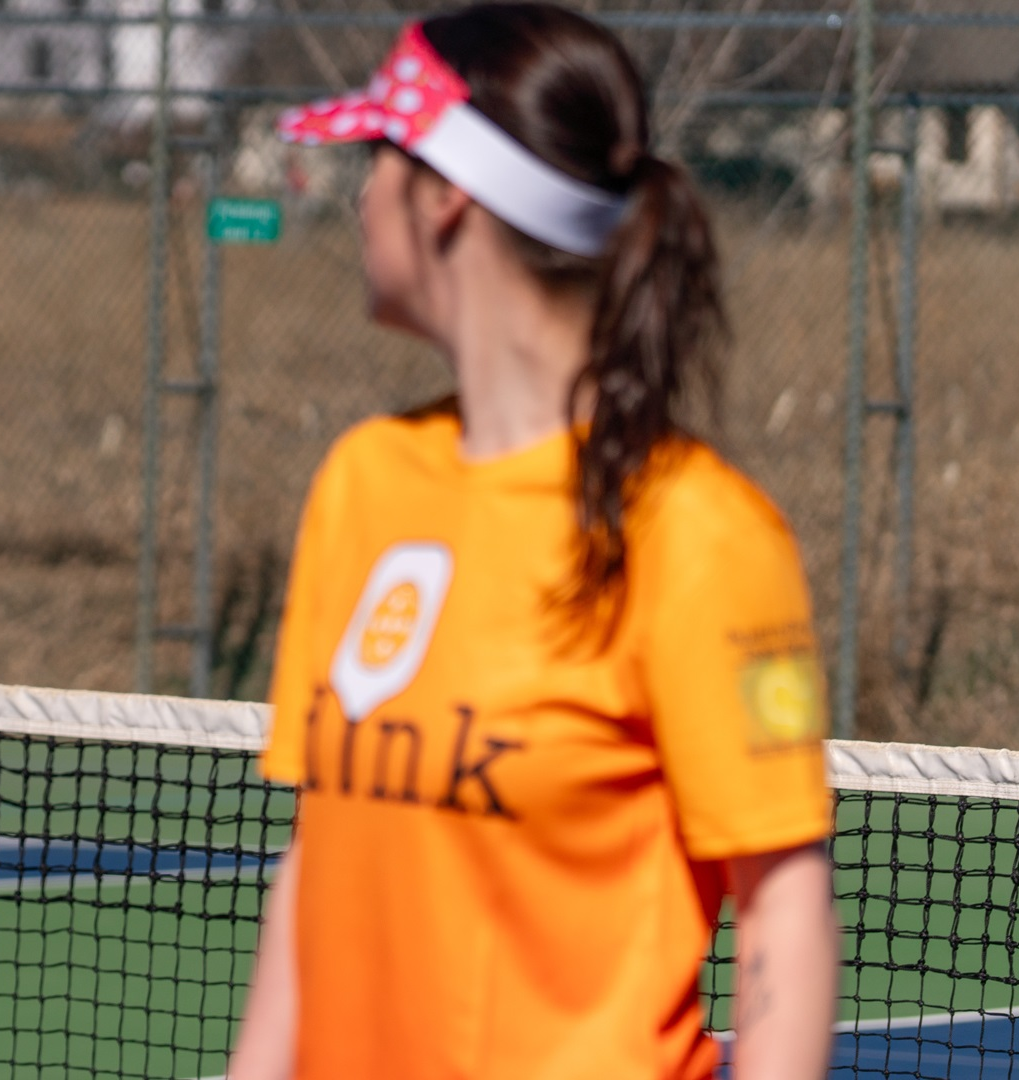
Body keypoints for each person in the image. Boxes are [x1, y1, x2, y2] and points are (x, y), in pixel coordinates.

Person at [227, 8, 838, 1079]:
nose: (357, 195)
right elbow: (316, 864)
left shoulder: (700, 532)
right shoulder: (362, 483)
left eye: (378, 158)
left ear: (447, 195)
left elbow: (781, 908)